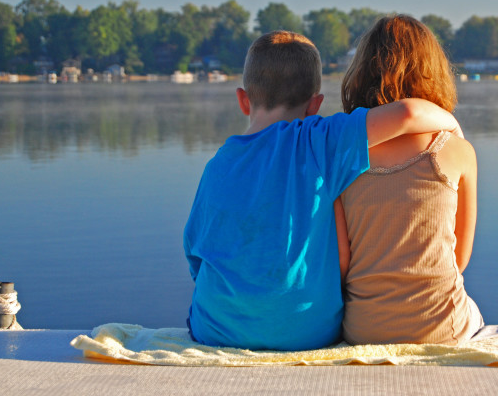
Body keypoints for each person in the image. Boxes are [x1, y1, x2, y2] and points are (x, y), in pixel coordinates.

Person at [183, 30, 464, 351]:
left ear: (243, 99)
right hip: (306, 332)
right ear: (315, 104)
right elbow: (409, 113)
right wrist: (453, 127)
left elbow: (195, 254)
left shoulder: (218, 164)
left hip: (216, 330)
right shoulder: (321, 140)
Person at [336, 15, 484, 345]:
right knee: (473, 311)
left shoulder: (340, 157)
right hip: (440, 328)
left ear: (361, 74)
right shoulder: (459, 151)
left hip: (363, 329)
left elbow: (342, 263)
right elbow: (459, 260)